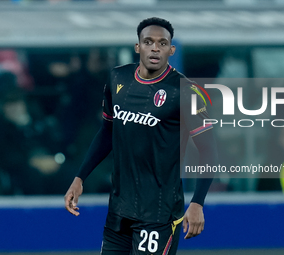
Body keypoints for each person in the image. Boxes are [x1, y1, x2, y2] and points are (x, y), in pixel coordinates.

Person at [64, 17, 218, 255]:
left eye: (162, 43)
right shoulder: (117, 78)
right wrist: (79, 177)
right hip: (119, 210)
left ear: (171, 49)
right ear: (138, 47)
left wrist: (197, 202)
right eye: (148, 41)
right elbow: (107, 131)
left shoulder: (186, 91)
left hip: (159, 214)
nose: (155, 48)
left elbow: (209, 149)